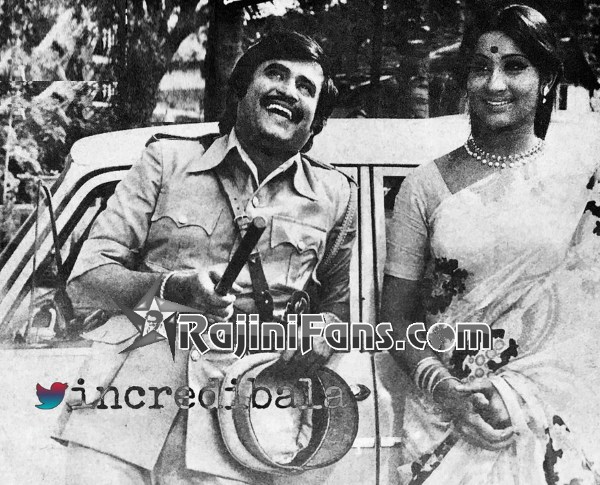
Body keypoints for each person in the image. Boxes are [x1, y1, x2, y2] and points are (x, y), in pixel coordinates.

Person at [54, 30, 356, 484]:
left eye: (306, 87)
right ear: (241, 89)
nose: (288, 91)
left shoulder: (336, 196)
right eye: (275, 74)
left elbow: (339, 310)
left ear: (316, 121)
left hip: (239, 430)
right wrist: (173, 287)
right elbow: (86, 280)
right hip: (122, 416)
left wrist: (321, 332)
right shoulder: (166, 160)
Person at [381, 4, 600, 484]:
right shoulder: (424, 186)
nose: (495, 84)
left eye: (515, 66)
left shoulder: (581, 183)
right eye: (481, 68)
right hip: (446, 421)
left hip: (551, 418)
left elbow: (590, 321)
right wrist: (446, 391)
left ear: (547, 79)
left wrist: (514, 395)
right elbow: (393, 319)